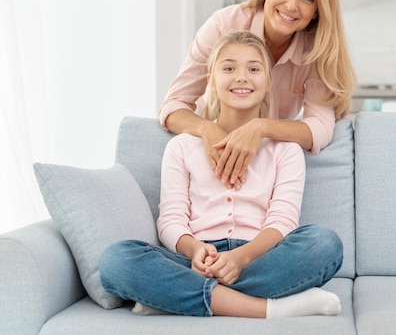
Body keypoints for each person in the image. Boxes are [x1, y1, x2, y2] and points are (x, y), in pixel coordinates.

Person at [99, 31, 343, 318]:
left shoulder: (285, 150)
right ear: (211, 80)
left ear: (268, 82)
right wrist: (194, 251)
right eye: (228, 68)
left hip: (259, 258)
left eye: (254, 69)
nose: (241, 77)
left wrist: (240, 259)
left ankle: (176, 296)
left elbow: (283, 220)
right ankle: (267, 308)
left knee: (325, 243)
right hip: (195, 259)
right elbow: (171, 219)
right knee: (116, 259)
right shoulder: (182, 146)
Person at [159, 0, 357, 190]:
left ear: (317, 11)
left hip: (266, 161)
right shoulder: (223, 25)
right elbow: (173, 105)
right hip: (213, 153)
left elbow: (320, 128)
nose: (292, 5)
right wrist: (207, 129)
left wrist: (260, 128)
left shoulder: (316, 49)